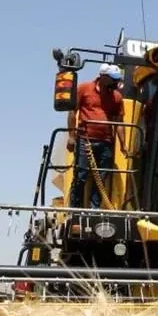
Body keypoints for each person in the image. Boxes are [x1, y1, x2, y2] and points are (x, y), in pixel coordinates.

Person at [67, 63, 125, 209]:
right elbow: (72, 112)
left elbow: (119, 122)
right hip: (85, 139)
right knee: (81, 175)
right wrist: (72, 136)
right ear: (103, 77)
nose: (116, 83)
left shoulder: (117, 97)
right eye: (113, 79)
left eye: (117, 80)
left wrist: (124, 145)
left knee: (102, 177)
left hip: (106, 142)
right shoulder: (84, 88)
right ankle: (75, 209)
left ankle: (94, 209)